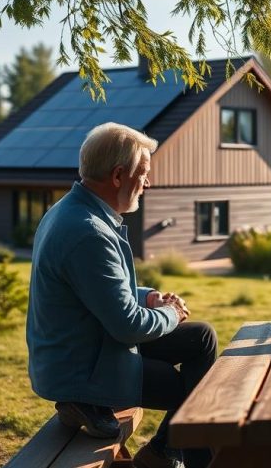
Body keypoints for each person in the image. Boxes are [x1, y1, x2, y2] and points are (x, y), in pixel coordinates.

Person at [27, 122, 216, 468]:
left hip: (86, 346)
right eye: (143, 173)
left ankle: (166, 452)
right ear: (117, 176)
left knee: (201, 338)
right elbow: (127, 327)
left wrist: (147, 298)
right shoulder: (89, 233)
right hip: (82, 368)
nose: (148, 183)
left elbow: (97, 290)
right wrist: (171, 314)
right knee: (193, 392)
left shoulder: (73, 211)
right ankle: (175, 456)